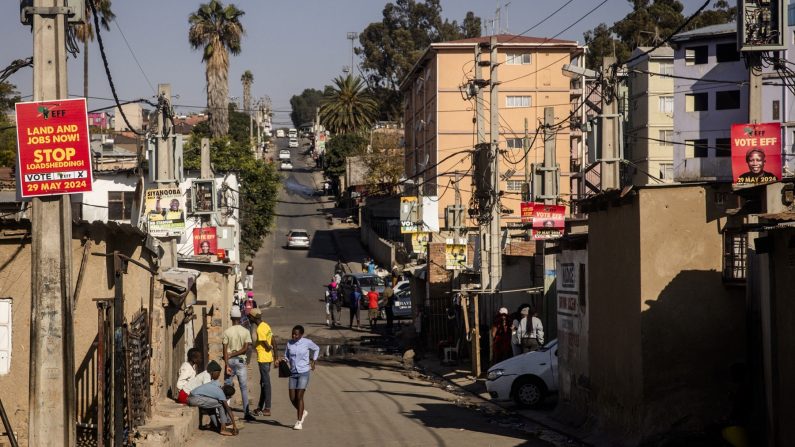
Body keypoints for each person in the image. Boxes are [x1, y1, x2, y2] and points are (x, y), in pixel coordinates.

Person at [281, 325, 319, 430]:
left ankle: (299, 421)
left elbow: (316, 348)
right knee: (292, 398)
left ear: (301, 335)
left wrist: (313, 361)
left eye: (296, 334)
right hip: (293, 373)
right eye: (293, 333)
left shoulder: (307, 342)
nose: (294, 335)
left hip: (304, 372)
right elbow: (286, 356)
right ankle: (303, 411)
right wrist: (282, 361)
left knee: (299, 396)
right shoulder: (289, 343)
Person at [223, 306, 255, 421]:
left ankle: (225, 414)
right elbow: (246, 348)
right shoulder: (245, 331)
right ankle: (246, 413)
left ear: (231, 318)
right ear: (240, 317)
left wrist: (227, 363)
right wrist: (235, 354)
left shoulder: (227, 332)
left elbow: (225, 350)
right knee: (243, 388)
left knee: (227, 388)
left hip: (230, 362)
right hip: (241, 361)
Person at [248, 308, 277, 417]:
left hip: (263, 359)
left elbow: (266, 343)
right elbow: (273, 339)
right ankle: (260, 407)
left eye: (249, 316)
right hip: (268, 358)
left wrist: (268, 347)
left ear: (253, 317)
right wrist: (276, 355)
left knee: (266, 383)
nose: (249, 318)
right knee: (263, 383)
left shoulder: (260, 329)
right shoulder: (266, 325)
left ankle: (267, 408)